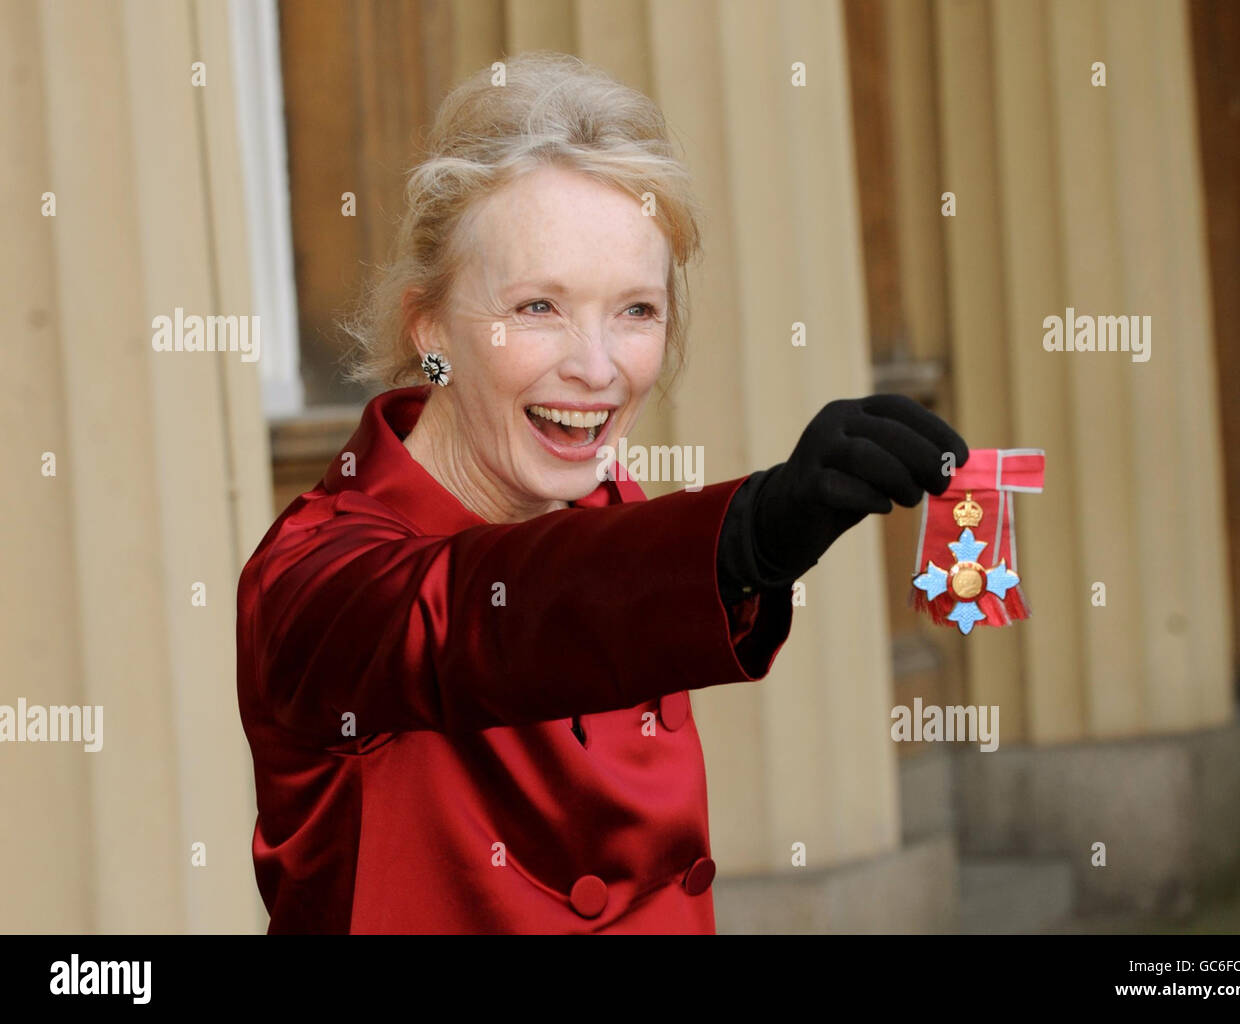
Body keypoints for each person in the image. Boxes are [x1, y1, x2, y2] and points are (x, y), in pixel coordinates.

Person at [235, 51, 967, 934]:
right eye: (537, 307)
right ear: (430, 330)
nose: (596, 367)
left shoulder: (611, 506)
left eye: (636, 310)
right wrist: (743, 535)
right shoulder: (312, 577)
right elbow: (476, 615)